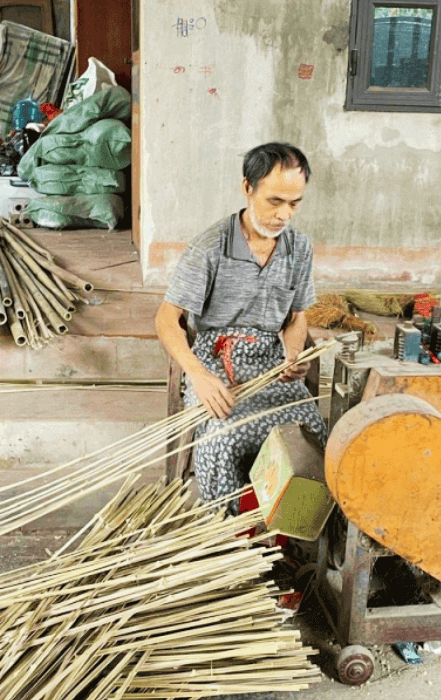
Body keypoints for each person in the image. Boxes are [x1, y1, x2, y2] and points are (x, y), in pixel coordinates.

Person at [155, 142, 328, 509]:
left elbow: (297, 317)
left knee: (310, 432)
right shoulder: (210, 248)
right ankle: (230, 535)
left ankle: (290, 532)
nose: (284, 215)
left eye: (294, 204)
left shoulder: (299, 247)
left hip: (270, 363)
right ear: (247, 188)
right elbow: (167, 319)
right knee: (223, 436)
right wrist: (198, 376)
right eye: (274, 201)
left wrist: (293, 354)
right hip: (216, 362)